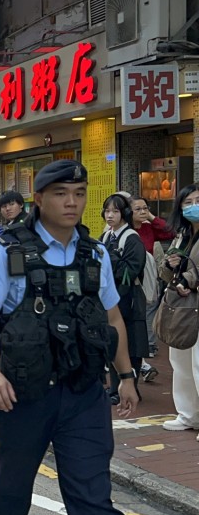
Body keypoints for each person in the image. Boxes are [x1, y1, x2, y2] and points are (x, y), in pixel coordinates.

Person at [0, 159, 138, 515]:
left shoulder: (95, 254)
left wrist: (126, 376)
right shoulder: (8, 251)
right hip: (25, 394)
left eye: (79, 194)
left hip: (84, 393)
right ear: (40, 199)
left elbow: (113, 317)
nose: (71, 202)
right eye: (61, 194)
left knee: (93, 493)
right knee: (13, 484)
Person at [156, 183, 199, 436]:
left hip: (193, 302)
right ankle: (188, 415)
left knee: (197, 363)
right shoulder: (182, 234)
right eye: (188, 202)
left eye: (197, 200)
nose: (194, 206)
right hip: (181, 307)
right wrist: (170, 264)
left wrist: (189, 278)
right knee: (180, 361)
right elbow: (167, 272)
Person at [100, 193, 149, 401]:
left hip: (129, 298)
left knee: (132, 345)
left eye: (115, 211)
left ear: (124, 214)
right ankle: (114, 389)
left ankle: (130, 387)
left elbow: (132, 271)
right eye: (107, 211)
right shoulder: (106, 236)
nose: (109, 216)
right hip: (111, 297)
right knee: (113, 341)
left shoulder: (131, 238)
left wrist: (113, 261)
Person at [131, 194, 176, 364]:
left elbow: (170, 232)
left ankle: (149, 344)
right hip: (131, 276)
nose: (142, 212)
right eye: (138, 209)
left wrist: (151, 217)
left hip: (148, 274)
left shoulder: (148, 228)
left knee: (150, 307)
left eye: (145, 208)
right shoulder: (125, 229)